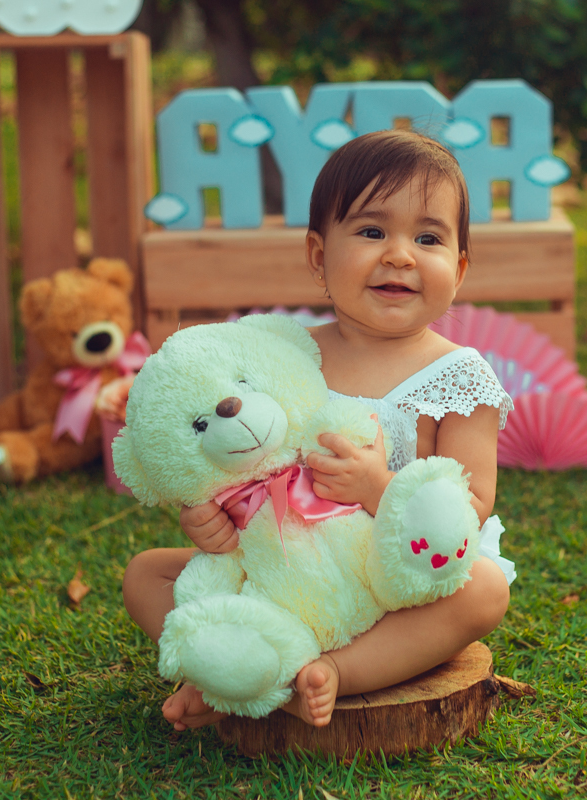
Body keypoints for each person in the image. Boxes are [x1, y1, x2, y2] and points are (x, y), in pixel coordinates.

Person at [123, 129, 515, 732]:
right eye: (371, 231)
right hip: (286, 564)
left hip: (391, 580)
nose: (400, 255)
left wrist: (377, 488)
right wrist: (211, 520)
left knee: (484, 589)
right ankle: (223, 665)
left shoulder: (458, 377)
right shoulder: (285, 355)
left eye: (428, 238)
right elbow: (241, 459)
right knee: (146, 574)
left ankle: (331, 670)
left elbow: (471, 505)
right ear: (317, 256)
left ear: (458, 270)